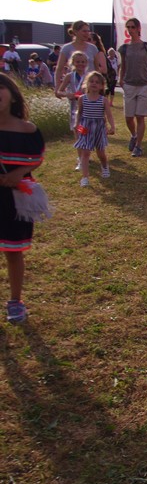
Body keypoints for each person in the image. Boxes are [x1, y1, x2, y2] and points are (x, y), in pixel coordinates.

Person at [0, 73, 46, 325]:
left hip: (16, 199)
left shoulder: (28, 130)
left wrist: (19, 173)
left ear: (13, 95)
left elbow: (37, 157)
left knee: (13, 250)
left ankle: (15, 300)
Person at [117, 18, 147, 158]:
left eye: (133, 27)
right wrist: (121, 80)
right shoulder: (124, 48)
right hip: (129, 84)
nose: (130, 30)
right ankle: (133, 135)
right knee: (129, 117)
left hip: (144, 84)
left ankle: (138, 146)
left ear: (138, 28)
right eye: (128, 27)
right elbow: (123, 65)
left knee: (140, 116)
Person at [74, 72, 115, 187]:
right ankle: (85, 177)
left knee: (100, 152)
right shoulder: (82, 99)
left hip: (99, 128)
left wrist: (112, 126)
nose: (94, 84)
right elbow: (79, 113)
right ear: (87, 83)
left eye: (97, 82)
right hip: (85, 127)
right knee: (85, 152)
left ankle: (105, 166)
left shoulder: (103, 100)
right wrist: (77, 125)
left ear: (101, 86)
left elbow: (109, 114)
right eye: (91, 81)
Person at [54, 20, 106, 86]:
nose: (87, 33)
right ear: (75, 32)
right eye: (84, 31)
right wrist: (57, 86)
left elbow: (97, 69)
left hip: (89, 86)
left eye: (88, 31)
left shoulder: (93, 48)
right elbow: (59, 69)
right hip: (73, 86)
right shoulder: (66, 48)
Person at [56, 50, 89, 139]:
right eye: (78, 62)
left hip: (87, 106)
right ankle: (80, 144)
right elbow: (59, 91)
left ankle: (84, 144)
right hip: (74, 107)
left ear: (86, 63)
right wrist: (68, 94)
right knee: (77, 128)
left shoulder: (89, 76)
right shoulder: (69, 76)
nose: (80, 64)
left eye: (83, 62)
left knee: (85, 129)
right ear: (73, 62)